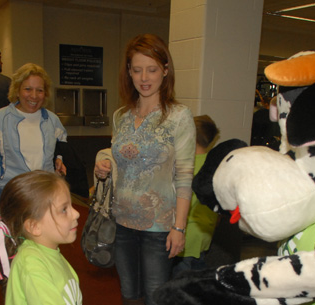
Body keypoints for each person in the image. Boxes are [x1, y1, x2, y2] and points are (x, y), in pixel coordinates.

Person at [94, 33, 195, 305]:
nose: (144, 78)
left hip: (160, 226)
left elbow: (185, 176)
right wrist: (104, 165)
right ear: (129, 72)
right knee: (129, 296)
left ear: (165, 70)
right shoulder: (121, 117)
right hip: (122, 220)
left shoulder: (179, 116)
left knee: (155, 298)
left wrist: (180, 227)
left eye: (151, 69)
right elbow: (120, 159)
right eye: (137, 70)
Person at [0, 63, 67, 219]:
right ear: (17, 90)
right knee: (12, 241)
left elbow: (61, 140)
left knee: (42, 241)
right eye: (28, 89)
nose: (34, 96)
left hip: (45, 194)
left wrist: (59, 158)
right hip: (11, 194)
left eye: (40, 90)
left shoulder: (52, 120)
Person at [0, 170, 82, 305]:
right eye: (64, 209)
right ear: (34, 226)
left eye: (71, 205)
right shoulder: (32, 267)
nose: (76, 214)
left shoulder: (47, 252)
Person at [172, 115, 219, 276]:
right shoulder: (215, 164)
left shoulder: (184, 165)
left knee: (179, 281)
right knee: (197, 277)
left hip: (184, 236)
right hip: (205, 234)